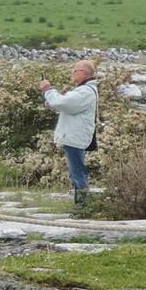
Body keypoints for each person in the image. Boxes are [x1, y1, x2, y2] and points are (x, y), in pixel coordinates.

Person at [40, 60, 100, 210]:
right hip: (75, 137)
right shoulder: (83, 90)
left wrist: (48, 90)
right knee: (76, 173)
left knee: (78, 173)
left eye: (75, 70)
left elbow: (64, 103)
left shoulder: (85, 92)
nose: (72, 73)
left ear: (84, 73)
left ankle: (82, 207)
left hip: (75, 138)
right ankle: (81, 205)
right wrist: (51, 98)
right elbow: (64, 104)